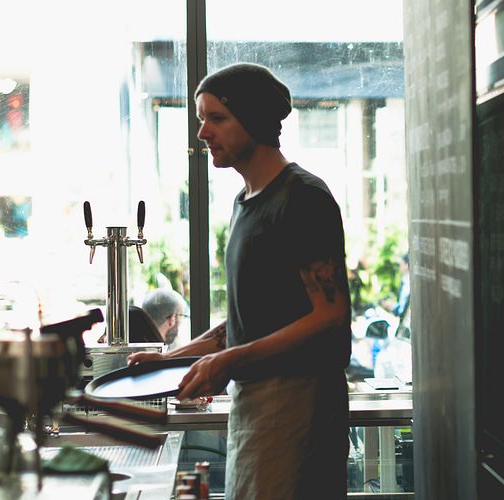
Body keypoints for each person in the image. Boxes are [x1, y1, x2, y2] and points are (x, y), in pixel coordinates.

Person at [128, 62, 351, 499]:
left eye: (217, 118)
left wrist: (227, 363)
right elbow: (251, 321)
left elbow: (330, 316)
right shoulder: (245, 202)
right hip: (256, 401)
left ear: (254, 119)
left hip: (296, 402)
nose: (202, 132)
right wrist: (171, 359)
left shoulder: (302, 197)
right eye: (200, 119)